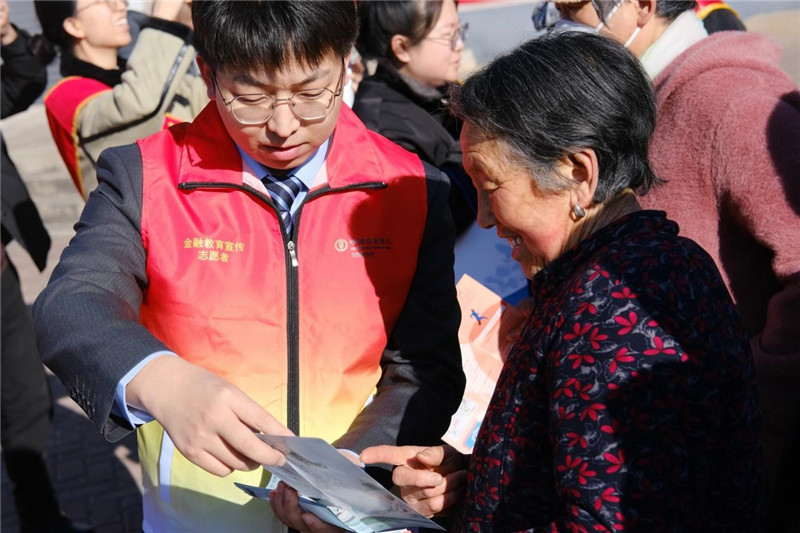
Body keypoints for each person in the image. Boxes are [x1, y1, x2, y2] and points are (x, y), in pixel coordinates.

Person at [32, 1, 465, 531]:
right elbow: (72, 304)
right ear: (208, 75)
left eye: (311, 93)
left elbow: (425, 368)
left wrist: (351, 470)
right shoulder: (144, 177)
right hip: (196, 515)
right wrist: (161, 381)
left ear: (346, 64)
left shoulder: (412, 188)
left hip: (348, 511)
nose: (283, 126)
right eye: (252, 97)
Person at [359, 32, 764, 531]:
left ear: (578, 173)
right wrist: (481, 479)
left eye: (491, 185)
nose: (483, 217)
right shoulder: (633, 271)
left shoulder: (618, 307)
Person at [552, 1, 800, 529]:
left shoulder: (733, 102)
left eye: (572, 6)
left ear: (641, 6)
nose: (561, 23)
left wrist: (754, 400)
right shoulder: (647, 100)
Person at [1, 2, 93, 532]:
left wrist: (7, 34)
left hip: (1, 281)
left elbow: (24, 80)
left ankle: (40, 519)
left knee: (28, 404)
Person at [34, 0, 206, 200]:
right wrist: (163, 18)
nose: (120, 6)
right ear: (74, 26)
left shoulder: (139, 76)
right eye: (102, 1)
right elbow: (138, 105)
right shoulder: (65, 96)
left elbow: (209, 101)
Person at [353, 0, 476, 235]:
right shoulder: (379, 130)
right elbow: (432, 216)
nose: (460, 44)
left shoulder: (438, 87)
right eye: (448, 36)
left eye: (459, 31)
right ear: (402, 48)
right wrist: (476, 143)